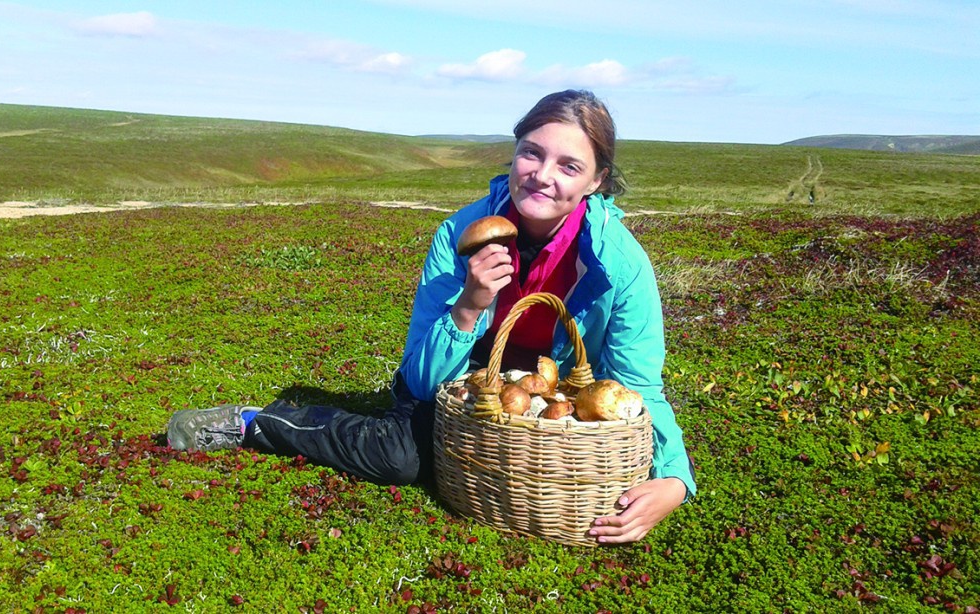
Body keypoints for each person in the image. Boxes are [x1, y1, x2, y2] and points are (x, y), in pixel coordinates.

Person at [167, 89, 696, 544]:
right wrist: (469, 305)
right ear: (513, 153)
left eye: (569, 166)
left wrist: (674, 480)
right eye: (530, 153)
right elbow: (420, 380)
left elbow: (636, 388)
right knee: (401, 457)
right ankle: (256, 422)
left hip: (551, 398)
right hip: (457, 385)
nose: (541, 176)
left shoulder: (619, 266)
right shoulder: (458, 235)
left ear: (597, 181)